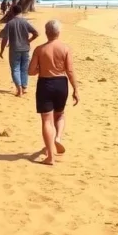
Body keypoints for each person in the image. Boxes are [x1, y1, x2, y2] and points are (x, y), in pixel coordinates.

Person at [28, 20, 79, 166]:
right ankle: (58, 138)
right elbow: (70, 71)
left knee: (46, 120)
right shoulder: (65, 48)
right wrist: (75, 89)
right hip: (61, 83)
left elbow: (31, 71)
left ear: (46, 32)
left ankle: (50, 156)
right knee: (60, 114)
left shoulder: (39, 49)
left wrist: (40, 69)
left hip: (45, 84)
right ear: (58, 33)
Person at [0, 5, 40, 97]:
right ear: (21, 11)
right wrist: (29, 40)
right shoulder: (25, 22)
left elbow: (5, 38)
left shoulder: (10, 23)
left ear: (13, 12)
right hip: (25, 49)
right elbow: (36, 33)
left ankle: (19, 89)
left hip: (14, 49)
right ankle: (24, 87)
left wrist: (2, 50)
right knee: (24, 68)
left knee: (15, 69)